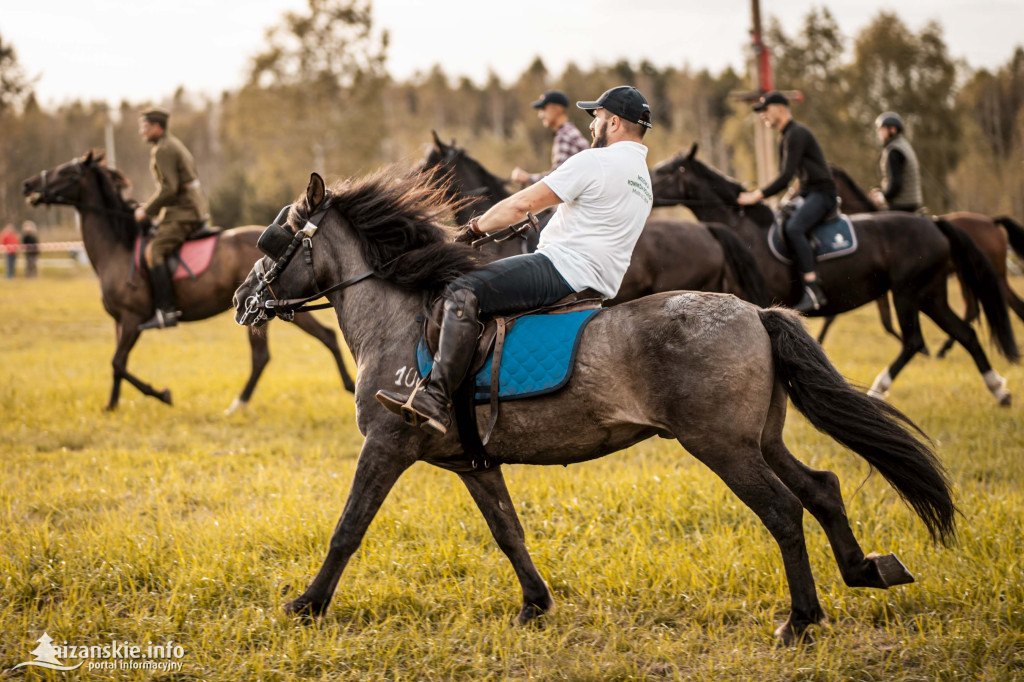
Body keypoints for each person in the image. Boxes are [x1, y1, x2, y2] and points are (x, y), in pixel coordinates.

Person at [377, 85, 655, 436]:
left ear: (614, 122)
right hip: (596, 286)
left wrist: (473, 229)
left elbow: (520, 203)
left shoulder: (595, 161)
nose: (591, 126)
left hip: (560, 270)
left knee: (462, 290)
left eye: (596, 118)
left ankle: (435, 397)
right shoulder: (643, 182)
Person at [738, 91, 837, 313]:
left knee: (794, 228)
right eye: (760, 111)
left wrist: (757, 195)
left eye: (766, 109)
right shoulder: (787, 136)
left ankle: (813, 289)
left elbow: (785, 176)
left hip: (823, 195)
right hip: (809, 194)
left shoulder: (796, 134)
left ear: (781, 108)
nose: (763, 115)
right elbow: (799, 177)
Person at [134, 107, 210, 329]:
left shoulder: (163, 149)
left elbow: (169, 189)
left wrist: (146, 211)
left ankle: (166, 311)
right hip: (187, 206)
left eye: (144, 127)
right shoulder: (170, 144)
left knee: (154, 251)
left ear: (157, 127)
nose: (142, 132)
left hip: (183, 211)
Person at [510, 90, 590, 186]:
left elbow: (558, 178)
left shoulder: (564, 135)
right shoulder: (570, 131)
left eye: (544, 109)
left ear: (558, 109)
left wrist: (527, 178)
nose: (540, 115)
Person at [870, 112, 922, 213]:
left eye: (882, 129)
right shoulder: (903, 145)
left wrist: (881, 197)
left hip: (902, 205)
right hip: (911, 203)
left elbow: (896, 184)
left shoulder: (894, 150)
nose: (879, 132)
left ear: (892, 130)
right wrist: (882, 191)